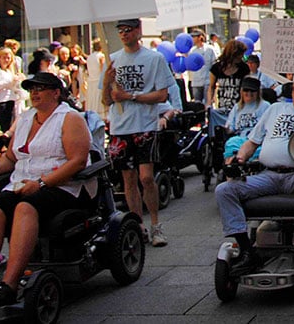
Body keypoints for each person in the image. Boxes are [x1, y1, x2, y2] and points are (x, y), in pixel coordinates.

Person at [0, 72, 94, 305]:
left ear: (56, 93)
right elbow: (12, 158)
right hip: (22, 183)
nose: (35, 92)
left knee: (26, 206)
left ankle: (9, 284)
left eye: (41, 88)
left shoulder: (69, 118)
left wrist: (42, 183)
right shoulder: (25, 118)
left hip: (62, 186)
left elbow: (77, 161)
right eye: (32, 88)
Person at [215, 73, 294, 274]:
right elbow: (252, 142)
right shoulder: (275, 109)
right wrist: (239, 158)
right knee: (224, 191)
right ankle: (247, 251)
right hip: (269, 175)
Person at [103, 18, 174, 248]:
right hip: (120, 127)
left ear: (137, 31)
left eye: (127, 30)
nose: (123, 34)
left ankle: (155, 224)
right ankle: (137, 226)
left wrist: (131, 96)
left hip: (145, 125)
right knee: (128, 180)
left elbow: (162, 95)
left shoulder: (154, 58)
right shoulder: (112, 59)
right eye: (120, 30)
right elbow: (107, 100)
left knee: (146, 177)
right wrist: (106, 82)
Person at [222, 76, 270, 160]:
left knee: (259, 151)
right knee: (230, 143)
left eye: (252, 91)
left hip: (258, 141)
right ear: (241, 91)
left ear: (258, 92)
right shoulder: (237, 107)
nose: (249, 93)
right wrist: (225, 129)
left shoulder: (265, 106)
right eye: (246, 90)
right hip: (240, 139)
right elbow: (231, 128)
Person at [187, 30, 217, 104]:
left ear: (200, 37)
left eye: (194, 37)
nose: (192, 39)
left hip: (207, 81)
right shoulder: (192, 51)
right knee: (197, 104)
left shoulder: (210, 49)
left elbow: (214, 64)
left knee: (208, 103)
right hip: (196, 81)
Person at [84, 38, 106, 116]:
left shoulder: (89, 57)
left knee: (92, 100)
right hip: (99, 80)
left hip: (91, 81)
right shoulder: (101, 56)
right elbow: (103, 69)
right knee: (99, 100)